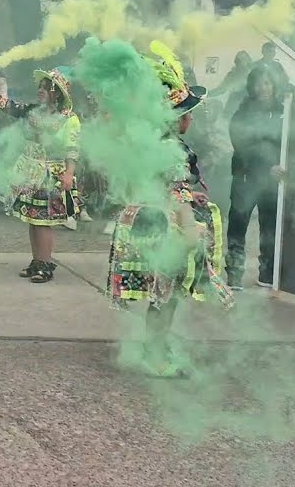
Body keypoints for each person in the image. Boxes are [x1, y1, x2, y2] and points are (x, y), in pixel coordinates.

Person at [105, 42, 233, 377]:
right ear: (176, 119)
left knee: (166, 292)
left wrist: (192, 197)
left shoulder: (158, 142)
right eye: (186, 113)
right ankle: (154, 351)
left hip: (154, 220)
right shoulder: (168, 148)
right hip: (161, 225)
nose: (190, 118)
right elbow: (170, 192)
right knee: (164, 291)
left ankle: (156, 345)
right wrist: (190, 226)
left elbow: (168, 187)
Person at [0, 66, 81, 284]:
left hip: (51, 174)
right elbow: (5, 105)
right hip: (29, 171)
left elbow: (72, 148)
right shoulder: (32, 111)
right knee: (32, 219)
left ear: (56, 92)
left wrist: (69, 173)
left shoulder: (69, 119)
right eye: (39, 87)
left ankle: (46, 264)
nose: (39, 90)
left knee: (43, 221)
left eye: (45, 88)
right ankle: (36, 262)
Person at [225, 66, 285, 289]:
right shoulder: (243, 112)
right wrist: (266, 164)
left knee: (269, 228)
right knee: (238, 226)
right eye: (259, 83)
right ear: (252, 86)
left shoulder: (283, 112)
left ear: (274, 85)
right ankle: (234, 274)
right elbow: (240, 143)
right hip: (245, 179)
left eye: (268, 83)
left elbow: (288, 143)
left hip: (272, 182)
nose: (264, 88)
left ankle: (267, 273)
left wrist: (282, 166)